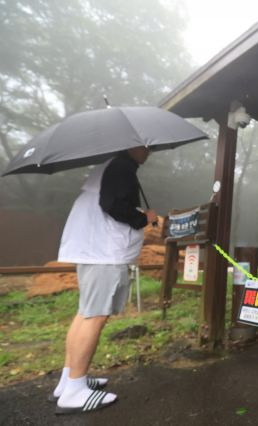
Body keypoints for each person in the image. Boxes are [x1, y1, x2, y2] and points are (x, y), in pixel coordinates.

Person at [52, 146, 157, 414]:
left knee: (85, 312)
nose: (150, 151)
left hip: (92, 248)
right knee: (95, 315)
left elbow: (109, 201)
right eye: (146, 146)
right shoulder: (121, 167)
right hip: (103, 252)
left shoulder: (109, 167)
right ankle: (74, 390)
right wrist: (144, 217)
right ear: (132, 145)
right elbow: (112, 205)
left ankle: (69, 379)